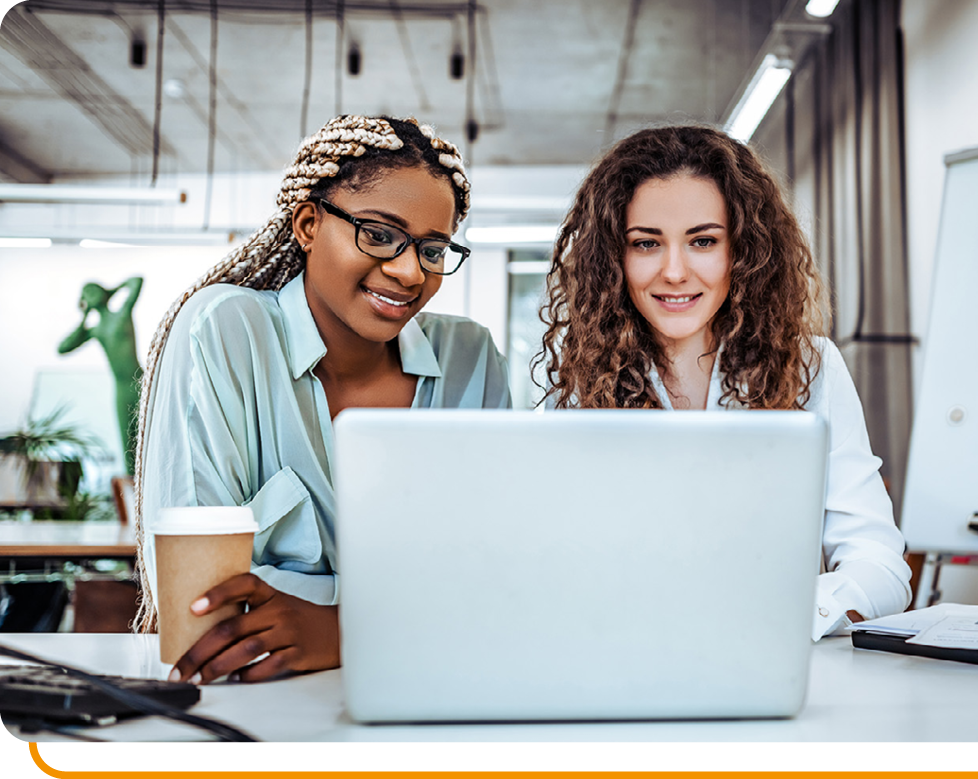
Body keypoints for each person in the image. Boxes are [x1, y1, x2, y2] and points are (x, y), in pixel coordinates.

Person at [135, 115, 511, 683]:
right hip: (256, 706)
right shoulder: (224, 331)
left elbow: (499, 584)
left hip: (433, 691)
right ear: (309, 224)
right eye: (378, 234)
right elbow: (202, 612)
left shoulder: (469, 359)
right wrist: (408, 614)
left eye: (432, 249)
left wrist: (340, 630)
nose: (410, 272)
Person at [538, 125, 911, 640]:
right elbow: (551, 563)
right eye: (646, 243)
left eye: (703, 241)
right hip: (628, 653)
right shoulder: (578, 385)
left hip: (773, 658)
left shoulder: (810, 366)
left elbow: (882, 566)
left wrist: (786, 617)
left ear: (744, 251)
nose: (673, 271)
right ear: (613, 260)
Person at [57, 276, 143, 475]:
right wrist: (84, 317)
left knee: (146, 436)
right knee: (128, 443)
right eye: (87, 294)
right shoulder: (96, 330)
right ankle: (133, 492)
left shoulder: (122, 314)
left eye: (94, 291)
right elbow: (63, 348)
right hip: (121, 389)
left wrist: (112, 290)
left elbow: (137, 281)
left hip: (139, 383)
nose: (91, 296)